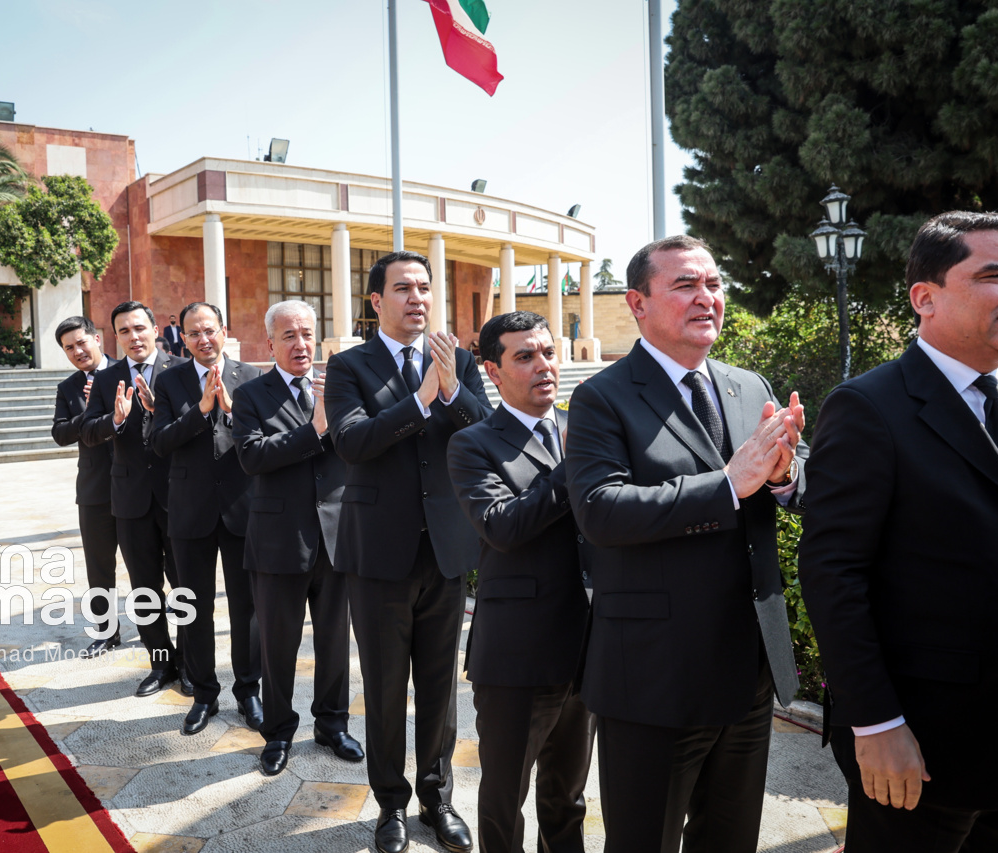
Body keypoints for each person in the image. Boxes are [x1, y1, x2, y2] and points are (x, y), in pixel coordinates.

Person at [798, 211, 998, 852]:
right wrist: (875, 721)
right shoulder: (869, 407)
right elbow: (835, 574)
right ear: (925, 297)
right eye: (995, 274)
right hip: (921, 752)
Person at [565, 235, 808, 853]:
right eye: (685, 286)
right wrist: (727, 484)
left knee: (730, 841)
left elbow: (789, 477)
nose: (707, 298)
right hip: (653, 677)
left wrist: (784, 474)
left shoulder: (746, 384)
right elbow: (601, 510)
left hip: (748, 670)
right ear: (638, 303)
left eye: (714, 285)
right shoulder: (602, 397)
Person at [324, 250, 492, 853]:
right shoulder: (349, 367)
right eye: (403, 289)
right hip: (377, 557)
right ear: (376, 303)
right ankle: (391, 804)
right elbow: (351, 443)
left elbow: (486, 433)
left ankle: (437, 797)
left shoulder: (460, 360)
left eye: (424, 287)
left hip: (445, 554)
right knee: (387, 686)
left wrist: (450, 392)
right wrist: (420, 400)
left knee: (442, 687)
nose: (417, 298)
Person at [447, 311, 594, 853]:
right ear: (493, 370)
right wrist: (574, 465)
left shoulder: (584, 429)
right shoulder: (474, 444)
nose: (544, 366)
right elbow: (503, 527)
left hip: (589, 647)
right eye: (525, 356)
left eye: (549, 353)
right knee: (506, 797)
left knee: (568, 796)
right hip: (517, 655)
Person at [231, 299, 362, 777]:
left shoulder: (340, 387)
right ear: (270, 343)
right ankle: (279, 733)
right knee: (278, 647)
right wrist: (315, 429)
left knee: (334, 643)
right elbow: (252, 457)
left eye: (307, 334)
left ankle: (332, 725)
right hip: (278, 541)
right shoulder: (250, 394)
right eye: (289, 335)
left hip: (336, 537)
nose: (300, 344)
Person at [149, 302, 263, 737]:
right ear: (183, 337)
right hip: (190, 509)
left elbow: (264, 438)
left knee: (246, 609)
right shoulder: (170, 379)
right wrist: (199, 410)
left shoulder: (252, 378)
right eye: (194, 333)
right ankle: (204, 694)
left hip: (242, 509)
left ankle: (249, 691)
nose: (203, 339)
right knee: (193, 608)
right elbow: (158, 442)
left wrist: (231, 410)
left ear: (224, 330)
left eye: (210, 330)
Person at [81, 301, 189, 698]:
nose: (134, 336)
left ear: (155, 328)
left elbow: (199, 423)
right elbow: (88, 432)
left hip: (178, 496)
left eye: (139, 328)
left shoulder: (180, 370)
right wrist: (115, 419)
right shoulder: (107, 379)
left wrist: (162, 413)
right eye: (124, 331)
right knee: (145, 589)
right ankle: (161, 664)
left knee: (185, 587)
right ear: (115, 337)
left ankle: (192, 664)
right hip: (129, 499)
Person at [51, 316, 121, 657]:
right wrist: (90, 411)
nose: (78, 351)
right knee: (99, 565)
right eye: (69, 348)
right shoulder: (68, 388)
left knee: (153, 566)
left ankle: (165, 638)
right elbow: (60, 434)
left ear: (97, 338)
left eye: (82, 342)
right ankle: (107, 632)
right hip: (95, 489)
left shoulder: (128, 371)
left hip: (138, 486)